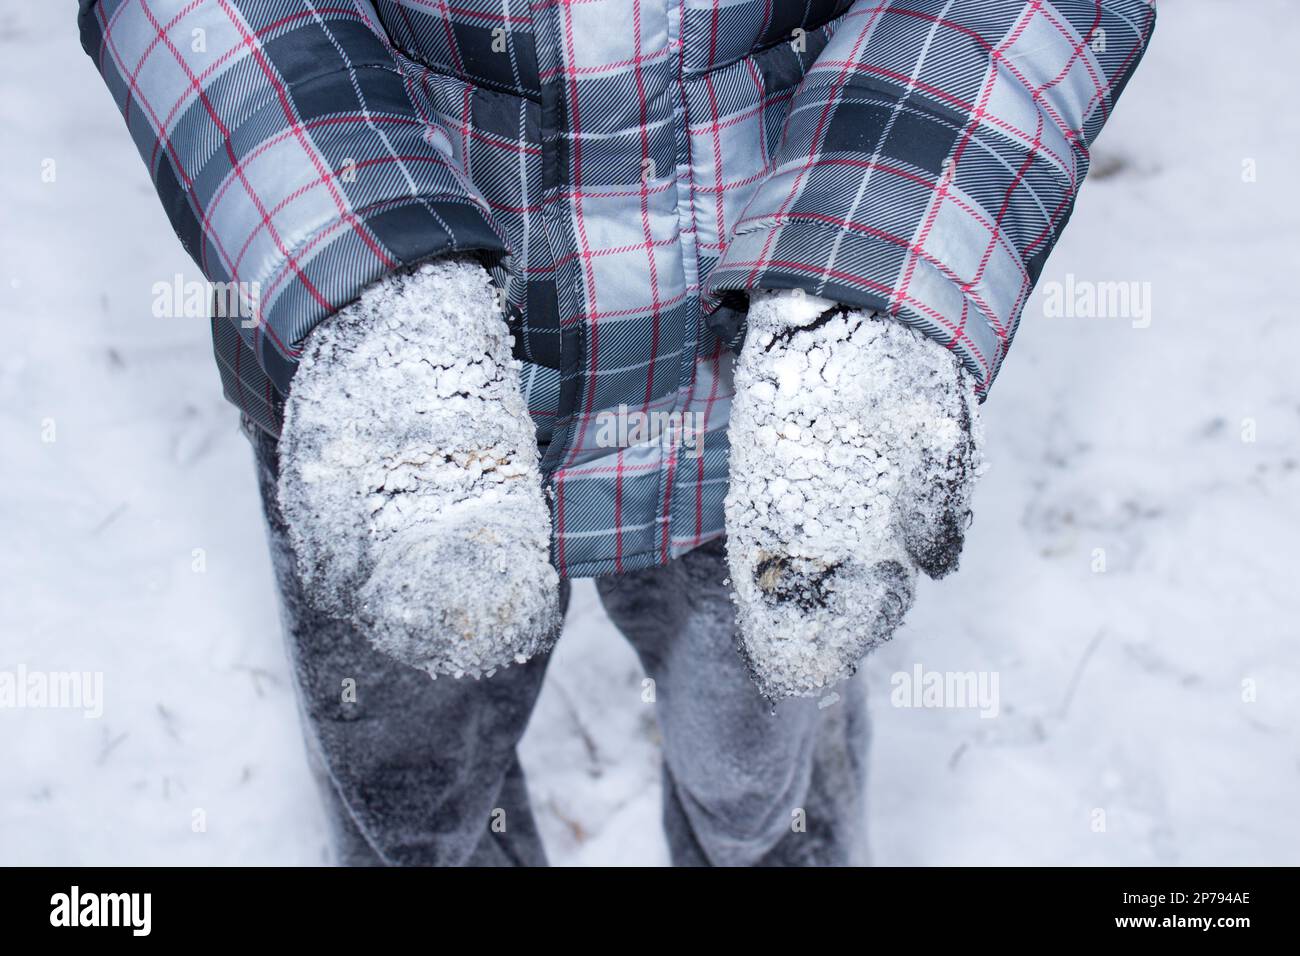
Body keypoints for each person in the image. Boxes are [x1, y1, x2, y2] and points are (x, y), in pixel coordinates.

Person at [79, 0, 1155, 865]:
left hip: (760, 381)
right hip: (405, 384)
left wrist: (872, 258)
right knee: (411, 810)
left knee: (765, 803)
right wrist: (355, 266)